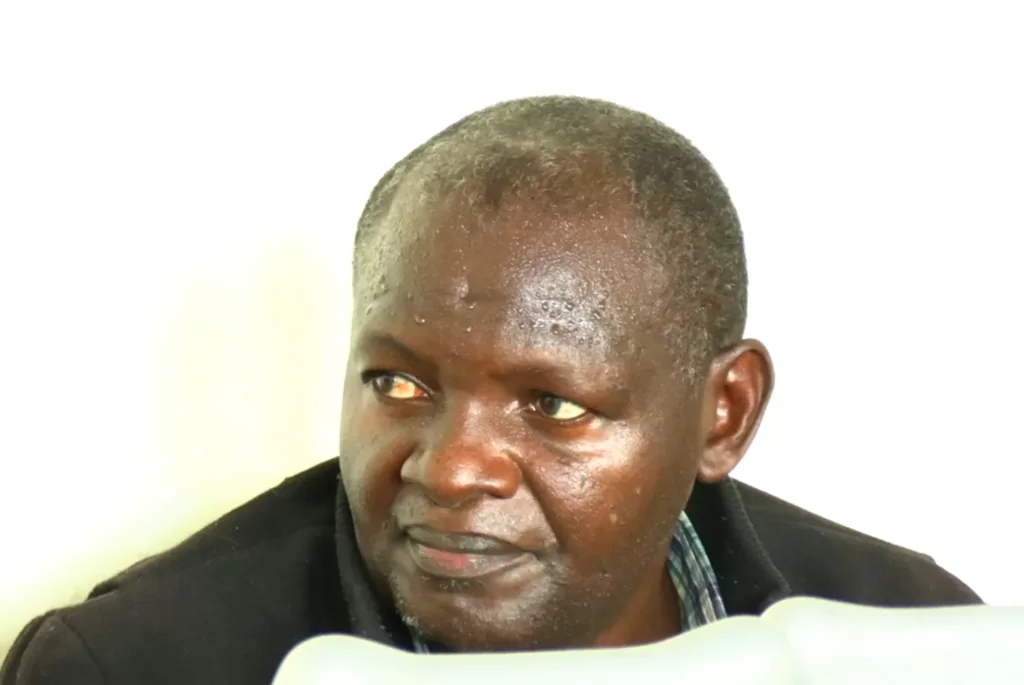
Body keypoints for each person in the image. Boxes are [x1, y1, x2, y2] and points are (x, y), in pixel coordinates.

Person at [1, 96, 980, 684]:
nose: (454, 464)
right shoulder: (131, 667)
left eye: (551, 404)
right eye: (396, 380)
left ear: (721, 413)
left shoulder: (912, 637)